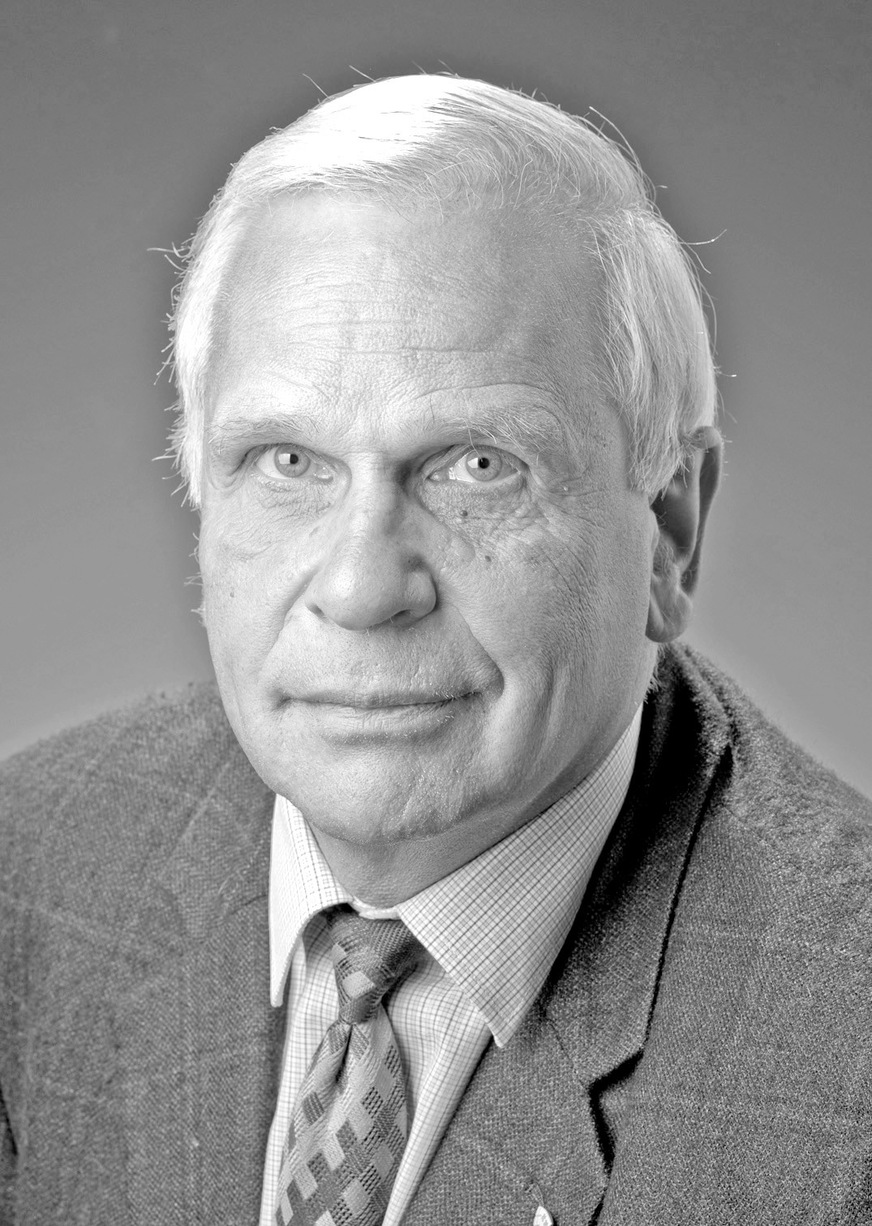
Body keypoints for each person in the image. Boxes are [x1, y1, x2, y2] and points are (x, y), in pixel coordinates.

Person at [1, 73, 870, 1226]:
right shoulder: (31, 873)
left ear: (668, 529)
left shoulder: (843, 1069)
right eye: (287, 462)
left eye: (476, 466)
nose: (362, 588)